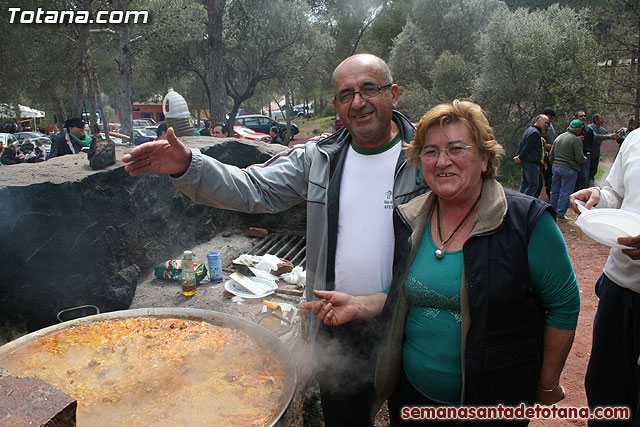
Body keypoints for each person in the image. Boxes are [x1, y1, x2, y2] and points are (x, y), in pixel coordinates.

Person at [122, 53, 427, 426]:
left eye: (369, 89)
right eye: (346, 95)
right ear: (336, 105)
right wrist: (190, 164)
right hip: (336, 320)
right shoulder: (320, 158)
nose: (358, 103)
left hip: (410, 320)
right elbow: (254, 187)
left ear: (393, 94)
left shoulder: (426, 157)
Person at [302, 100, 580, 426]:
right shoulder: (412, 217)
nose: (442, 161)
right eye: (430, 151)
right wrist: (358, 304)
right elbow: (408, 291)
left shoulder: (526, 221)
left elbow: (564, 304)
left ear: (484, 157)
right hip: (412, 400)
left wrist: (547, 384)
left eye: (456, 148)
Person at [571, 129, 640, 426]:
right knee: (605, 386)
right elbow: (616, 192)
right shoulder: (636, 140)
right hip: (618, 286)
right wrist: (599, 196)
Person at [549, 119, 587, 219]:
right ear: (579, 129)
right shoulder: (576, 140)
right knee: (565, 192)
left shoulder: (559, 137)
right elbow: (579, 157)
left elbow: (551, 155)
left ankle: (551, 212)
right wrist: (584, 159)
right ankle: (560, 214)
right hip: (569, 169)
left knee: (554, 190)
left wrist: (554, 164)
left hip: (556, 167)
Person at [514, 114, 550, 196]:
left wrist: (520, 156)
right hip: (531, 162)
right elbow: (527, 147)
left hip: (527, 162)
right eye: (545, 122)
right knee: (534, 185)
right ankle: (525, 203)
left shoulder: (529, 130)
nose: (546, 125)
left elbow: (522, 144)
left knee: (525, 184)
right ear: (538, 121)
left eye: (547, 123)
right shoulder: (535, 133)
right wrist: (520, 156)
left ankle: (519, 201)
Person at [587, 114, 617, 186]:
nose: (602, 121)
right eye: (600, 119)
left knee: (593, 172)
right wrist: (609, 136)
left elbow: (608, 134)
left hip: (596, 154)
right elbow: (595, 137)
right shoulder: (590, 128)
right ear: (596, 120)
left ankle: (591, 185)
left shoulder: (601, 129)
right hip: (589, 154)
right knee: (587, 173)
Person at [574, 110, 594, 191]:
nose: (583, 117)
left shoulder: (588, 130)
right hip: (574, 156)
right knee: (574, 176)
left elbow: (591, 142)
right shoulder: (571, 128)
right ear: (576, 118)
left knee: (584, 176)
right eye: (581, 116)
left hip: (585, 155)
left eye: (584, 116)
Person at [541, 107, 557, 199]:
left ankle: (549, 195)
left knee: (550, 175)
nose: (551, 119)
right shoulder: (541, 126)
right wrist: (546, 146)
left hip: (550, 153)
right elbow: (538, 140)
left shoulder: (550, 126)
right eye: (550, 116)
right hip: (544, 154)